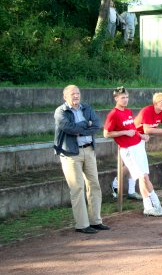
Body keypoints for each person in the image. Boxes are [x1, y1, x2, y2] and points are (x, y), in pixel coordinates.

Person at [54, 85, 109, 234]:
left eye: (78, 93)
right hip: (70, 153)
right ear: (65, 97)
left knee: (94, 185)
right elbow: (68, 128)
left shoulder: (86, 107)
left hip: (89, 150)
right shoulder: (60, 111)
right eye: (72, 94)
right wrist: (86, 125)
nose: (76, 96)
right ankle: (82, 224)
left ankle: (95, 221)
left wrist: (80, 129)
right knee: (77, 188)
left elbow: (97, 125)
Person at [104, 87, 162, 217]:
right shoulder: (113, 114)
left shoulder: (128, 111)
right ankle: (150, 204)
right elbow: (106, 133)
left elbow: (132, 128)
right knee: (142, 177)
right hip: (128, 149)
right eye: (122, 98)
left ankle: (151, 205)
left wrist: (141, 136)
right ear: (116, 99)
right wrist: (124, 132)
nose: (125, 100)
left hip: (138, 146)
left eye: (126, 97)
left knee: (145, 176)